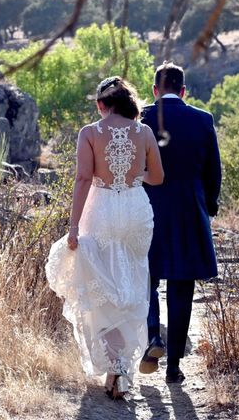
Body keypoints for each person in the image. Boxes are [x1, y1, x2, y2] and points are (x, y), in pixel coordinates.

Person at [45, 76, 164, 399]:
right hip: (137, 210)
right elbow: (158, 177)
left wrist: (73, 228)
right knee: (132, 283)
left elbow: (84, 178)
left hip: (101, 211)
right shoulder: (145, 132)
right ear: (128, 103)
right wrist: (133, 176)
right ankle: (121, 369)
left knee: (102, 286)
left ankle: (116, 368)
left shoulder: (91, 133)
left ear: (101, 104)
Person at [140, 62, 222, 383]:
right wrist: (209, 205)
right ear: (184, 90)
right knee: (182, 287)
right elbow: (213, 171)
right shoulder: (203, 120)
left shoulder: (141, 117)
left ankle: (152, 337)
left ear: (155, 90)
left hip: (148, 210)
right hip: (189, 212)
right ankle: (174, 366)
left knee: (146, 278)